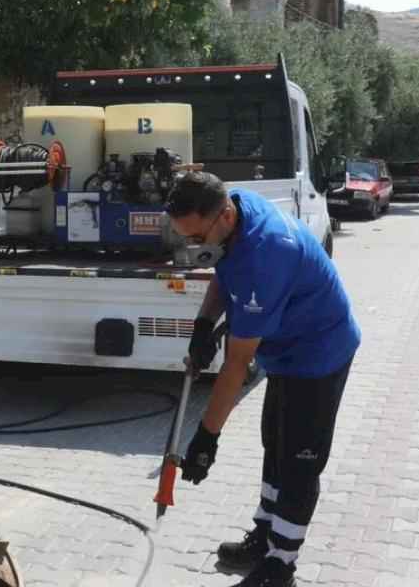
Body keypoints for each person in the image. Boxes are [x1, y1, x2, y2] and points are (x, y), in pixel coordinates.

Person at [166, 172, 361, 587]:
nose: (197, 245)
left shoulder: (266, 253)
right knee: (275, 442)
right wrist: (204, 324)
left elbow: (236, 365)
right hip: (286, 353)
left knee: (299, 460)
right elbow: (223, 270)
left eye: (199, 235)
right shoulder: (233, 209)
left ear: (224, 216)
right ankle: (265, 537)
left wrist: (206, 437)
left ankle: (281, 564)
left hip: (319, 353)